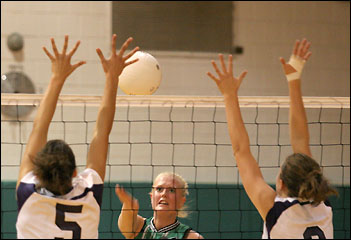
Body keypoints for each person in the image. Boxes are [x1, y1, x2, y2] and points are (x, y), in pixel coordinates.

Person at [207, 38, 338, 239]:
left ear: (282, 184)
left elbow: (243, 151)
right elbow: (299, 143)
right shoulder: (323, 208)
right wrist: (293, 79)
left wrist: (229, 95)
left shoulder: (275, 210)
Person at [15, 34, 139, 238]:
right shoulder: (88, 192)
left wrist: (57, 77)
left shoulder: (27, 193)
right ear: (75, 173)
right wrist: (112, 77)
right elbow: (102, 133)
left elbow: (39, 127)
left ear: (37, 171)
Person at [115, 172, 204, 239]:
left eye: (172, 190)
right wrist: (129, 205)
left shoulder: (191, 237)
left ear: (182, 201)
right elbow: (125, 225)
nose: (164, 194)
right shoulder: (139, 225)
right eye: (159, 189)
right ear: (151, 196)